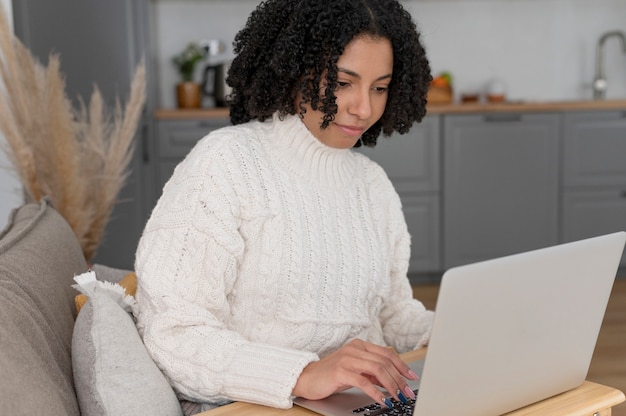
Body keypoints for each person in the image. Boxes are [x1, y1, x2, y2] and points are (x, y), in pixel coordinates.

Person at [134, 0, 434, 413]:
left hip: (364, 403)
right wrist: (303, 375)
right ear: (294, 70)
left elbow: (392, 315)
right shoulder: (224, 164)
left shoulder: (373, 186)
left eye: (379, 87)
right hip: (262, 405)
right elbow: (173, 333)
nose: (363, 108)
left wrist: (454, 329)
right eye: (343, 82)